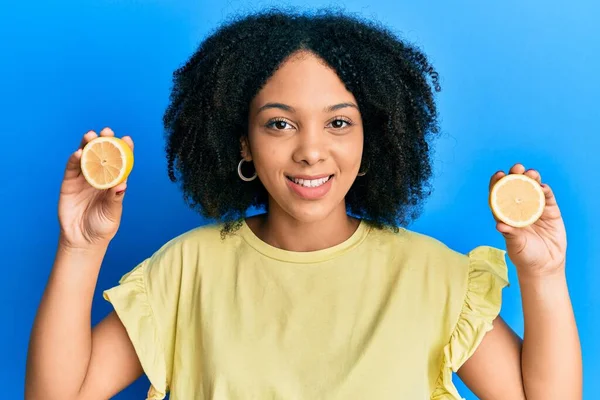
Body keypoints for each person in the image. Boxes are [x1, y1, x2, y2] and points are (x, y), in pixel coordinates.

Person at [25, 8, 581, 400]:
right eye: (280, 123)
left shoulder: (432, 275)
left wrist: (544, 273)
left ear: (371, 143)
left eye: (339, 122)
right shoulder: (186, 270)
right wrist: (81, 245)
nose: (311, 150)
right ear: (242, 141)